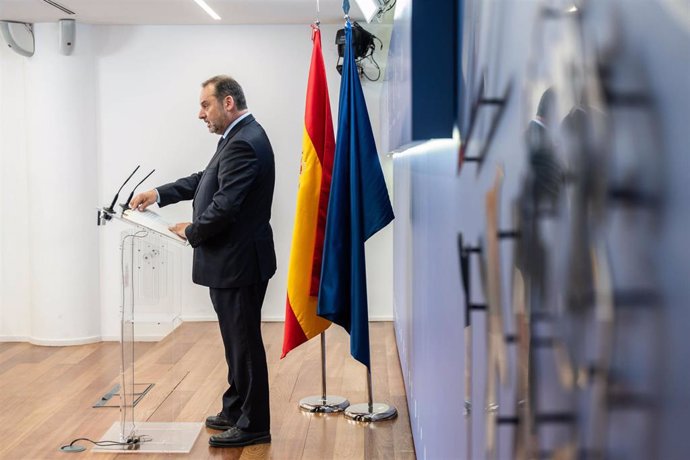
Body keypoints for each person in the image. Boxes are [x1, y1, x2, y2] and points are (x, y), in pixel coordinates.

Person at [129, 75, 276, 448]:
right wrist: (158, 194)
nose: (200, 114)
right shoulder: (237, 138)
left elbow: (226, 205)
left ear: (228, 103)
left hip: (239, 262)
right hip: (234, 260)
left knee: (243, 342)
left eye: (205, 105)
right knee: (235, 341)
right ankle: (236, 407)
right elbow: (203, 180)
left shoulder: (245, 142)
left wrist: (192, 231)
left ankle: (254, 423)